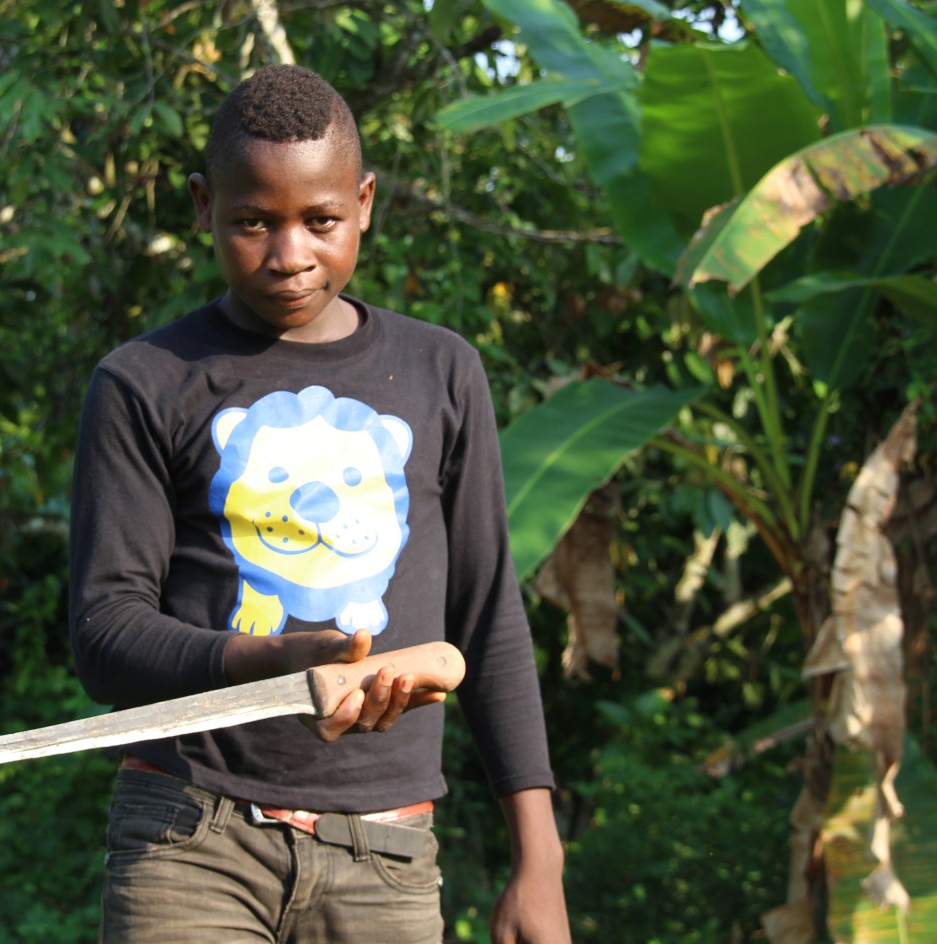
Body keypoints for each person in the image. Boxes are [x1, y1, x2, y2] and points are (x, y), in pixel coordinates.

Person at [68, 64, 569, 944]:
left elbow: (489, 616)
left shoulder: (439, 372)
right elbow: (106, 634)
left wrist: (540, 859)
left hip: (384, 851)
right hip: (191, 836)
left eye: (321, 221)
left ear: (366, 202)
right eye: (253, 221)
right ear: (202, 206)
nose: (288, 254)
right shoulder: (146, 382)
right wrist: (275, 660)